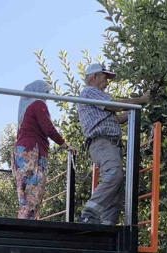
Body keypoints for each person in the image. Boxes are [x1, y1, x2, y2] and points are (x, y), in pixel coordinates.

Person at [77, 64, 150, 225]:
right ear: (94, 77)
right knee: (114, 174)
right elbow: (114, 105)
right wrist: (141, 100)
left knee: (117, 188)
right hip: (103, 142)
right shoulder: (90, 92)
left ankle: (108, 224)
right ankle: (89, 213)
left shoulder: (96, 100)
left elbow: (116, 118)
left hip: (108, 144)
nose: (108, 82)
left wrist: (137, 109)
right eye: (105, 77)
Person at [13, 80, 72, 219]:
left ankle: (23, 222)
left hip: (21, 152)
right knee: (34, 190)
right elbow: (48, 128)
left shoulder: (25, 110)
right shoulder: (38, 104)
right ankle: (28, 225)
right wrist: (65, 144)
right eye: (46, 92)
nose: (47, 96)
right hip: (34, 151)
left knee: (24, 194)